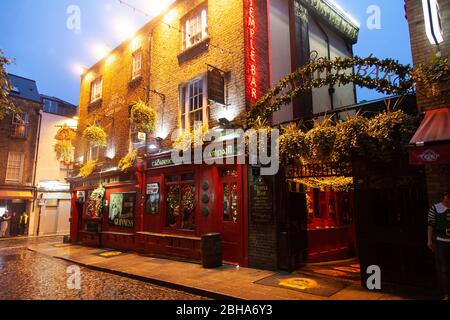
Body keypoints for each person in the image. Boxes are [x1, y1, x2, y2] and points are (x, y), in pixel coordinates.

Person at [428, 190, 450, 301]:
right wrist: (429, 240)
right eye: (446, 200)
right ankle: (447, 294)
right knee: (444, 269)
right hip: (442, 242)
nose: (447, 202)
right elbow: (431, 225)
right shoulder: (435, 208)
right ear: (443, 198)